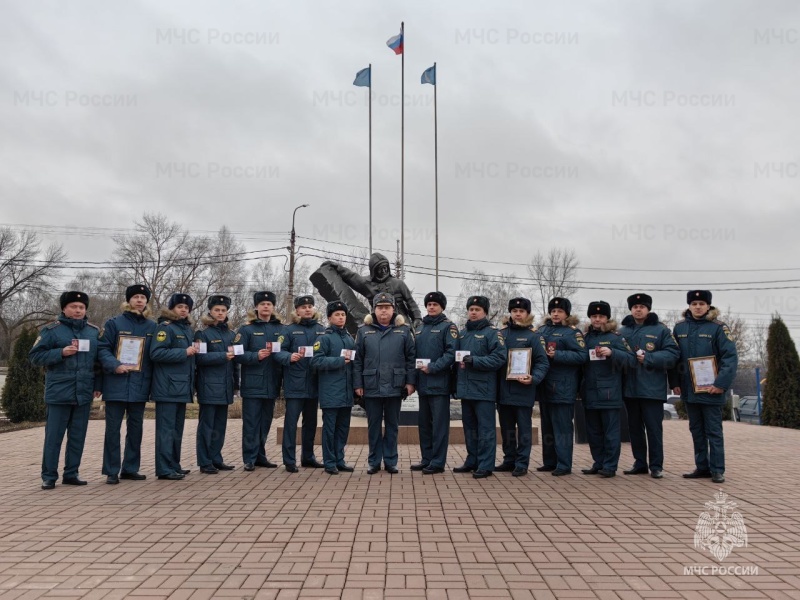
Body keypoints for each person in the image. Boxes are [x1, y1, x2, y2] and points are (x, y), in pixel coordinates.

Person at [30, 291, 101, 489]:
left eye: (81, 307)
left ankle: (71, 473)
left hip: (83, 392)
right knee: (54, 437)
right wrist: (60, 352)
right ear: (64, 309)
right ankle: (49, 476)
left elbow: (98, 361)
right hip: (59, 392)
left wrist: (97, 386)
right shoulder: (52, 331)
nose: (78, 310)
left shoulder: (93, 332)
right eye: (73, 307)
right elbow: (35, 356)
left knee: (77, 436)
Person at [671, 290, 738, 484]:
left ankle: (717, 470)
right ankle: (702, 467)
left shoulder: (718, 328)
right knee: (696, 430)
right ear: (689, 306)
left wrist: (720, 384)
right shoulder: (679, 327)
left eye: (701, 303)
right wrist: (674, 383)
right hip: (689, 390)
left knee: (714, 431)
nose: (698, 307)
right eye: (694, 303)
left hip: (712, 390)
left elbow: (730, 358)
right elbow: (674, 358)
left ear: (708, 306)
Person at [97, 284, 156, 484]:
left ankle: (130, 468)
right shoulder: (114, 323)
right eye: (136, 297)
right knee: (113, 429)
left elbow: (154, 355)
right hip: (116, 383)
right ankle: (112, 470)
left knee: (136, 429)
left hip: (140, 385)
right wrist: (115, 365)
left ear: (147, 301)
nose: (139, 300)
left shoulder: (152, 326)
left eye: (143, 297)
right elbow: (103, 349)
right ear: (129, 300)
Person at [353, 292, 416, 474]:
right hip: (371, 385)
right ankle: (374, 461)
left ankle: (390, 461)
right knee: (373, 426)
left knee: (392, 426)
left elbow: (411, 358)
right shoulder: (363, 331)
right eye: (380, 308)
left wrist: (410, 383)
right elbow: (358, 360)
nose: (383, 312)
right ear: (374, 310)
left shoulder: (404, 330)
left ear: (393, 309)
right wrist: (358, 384)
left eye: (387, 308)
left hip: (396, 386)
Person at [619, 293, 679, 479]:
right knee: (634, 429)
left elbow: (673, 354)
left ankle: (656, 465)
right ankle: (640, 463)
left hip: (652, 389)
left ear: (648, 309)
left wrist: (650, 358)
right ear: (630, 309)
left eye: (642, 306)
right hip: (629, 388)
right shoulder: (622, 332)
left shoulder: (661, 330)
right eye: (635, 306)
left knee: (653, 429)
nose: (638, 309)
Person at [452, 296, 506, 479]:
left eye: (477, 309)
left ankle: (486, 464)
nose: (473, 312)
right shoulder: (462, 334)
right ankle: (472, 460)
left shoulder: (493, 333)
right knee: (470, 428)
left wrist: (475, 360)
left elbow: (499, 358)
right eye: (471, 309)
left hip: (484, 390)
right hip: (466, 390)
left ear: (485, 312)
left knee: (486, 430)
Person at [580, 301, 636, 478]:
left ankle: (610, 466)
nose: (597, 319)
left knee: (611, 433)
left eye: (601, 316)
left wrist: (613, 353)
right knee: (593, 432)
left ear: (607, 318)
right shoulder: (585, 337)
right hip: (589, 392)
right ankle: (598, 463)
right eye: (594, 316)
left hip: (610, 393)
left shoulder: (616, 338)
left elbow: (632, 360)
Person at [496, 298, 550, 477]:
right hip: (503, 390)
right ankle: (509, 459)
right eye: (514, 311)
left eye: (521, 311)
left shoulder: (533, 336)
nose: (517, 314)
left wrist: (533, 378)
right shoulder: (501, 334)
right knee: (506, 428)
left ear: (527, 313)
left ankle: (522, 462)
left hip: (524, 389)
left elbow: (542, 362)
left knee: (524, 429)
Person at [536, 297, 588, 476]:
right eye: (553, 311)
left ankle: (564, 464)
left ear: (567, 313)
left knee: (562, 427)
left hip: (564, 387)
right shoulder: (541, 330)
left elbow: (582, 356)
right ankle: (549, 462)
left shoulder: (573, 333)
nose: (556, 314)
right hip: (544, 386)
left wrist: (558, 355)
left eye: (559, 311)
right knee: (547, 426)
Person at [275, 295, 326, 472]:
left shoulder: (322, 330)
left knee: (310, 423)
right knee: (291, 424)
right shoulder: (288, 330)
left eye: (310, 306)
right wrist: (289, 357)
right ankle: (289, 460)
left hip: (314, 384)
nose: (307, 309)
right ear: (296, 310)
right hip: (295, 384)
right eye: (303, 306)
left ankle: (308, 457)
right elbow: (277, 351)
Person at [150, 293, 197, 481]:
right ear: (172, 309)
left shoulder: (187, 329)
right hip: (167, 387)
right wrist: (183, 352)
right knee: (166, 430)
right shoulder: (165, 328)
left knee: (177, 430)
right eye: (179, 307)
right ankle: (163, 468)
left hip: (182, 387)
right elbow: (156, 353)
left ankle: (174, 464)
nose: (183, 310)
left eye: (186, 307)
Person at [235, 291, 283, 471]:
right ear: (256, 307)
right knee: (251, 423)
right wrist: (255, 356)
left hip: (272, 383)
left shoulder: (280, 329)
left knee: (265, 422)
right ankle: (249, 458)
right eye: (262, 303)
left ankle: (260, 456)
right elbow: (237, 354)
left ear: (273, 307)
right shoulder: (246, 329)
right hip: (253, 384)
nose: (265, 306)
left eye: (269, 304)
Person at [411, 292, 458, 475]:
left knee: (439, 426)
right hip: (423, 385)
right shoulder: (420, 327)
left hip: (439, 384)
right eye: (429, 304)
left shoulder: (448, 327)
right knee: (424, 425)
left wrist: (433, 368)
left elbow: (451, 353)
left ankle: (438, 462)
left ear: (442, 307)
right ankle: (427, 459)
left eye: (435, 305)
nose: (431, 307)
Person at [313, 253, 422, 331]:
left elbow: (410, 302)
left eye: (385, 268)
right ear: (374, 270)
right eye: (380, 269)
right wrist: (336, 266)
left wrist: (417, 318)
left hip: (401, 321)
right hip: (379, 324)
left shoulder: (398, 283)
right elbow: (351, 276)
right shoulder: (367, 284)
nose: (384, 271)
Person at [311, 301, 356, 475]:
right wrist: (338, 361)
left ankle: (340, 459)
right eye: (337, 314)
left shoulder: (349, 338)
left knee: (343, 429)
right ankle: (329, 462)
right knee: (329, 429)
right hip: (330, 392)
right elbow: (315, 361)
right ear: (330, 317)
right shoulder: (323, 338)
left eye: (343, 314)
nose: (341, 317)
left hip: (346, 392)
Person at [194, 295, 237, 474]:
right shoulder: (202, 334)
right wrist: (221, 356)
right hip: (209, 387)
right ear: (210, 312)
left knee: (220, 426)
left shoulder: (232, 334)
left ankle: (216, 458)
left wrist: (235, 385)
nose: (220, 313)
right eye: (217, 310)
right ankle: (204, 461)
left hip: (225, 387)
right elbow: (200, 358)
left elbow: (235, 363)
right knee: (207, 426)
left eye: (223, 310)